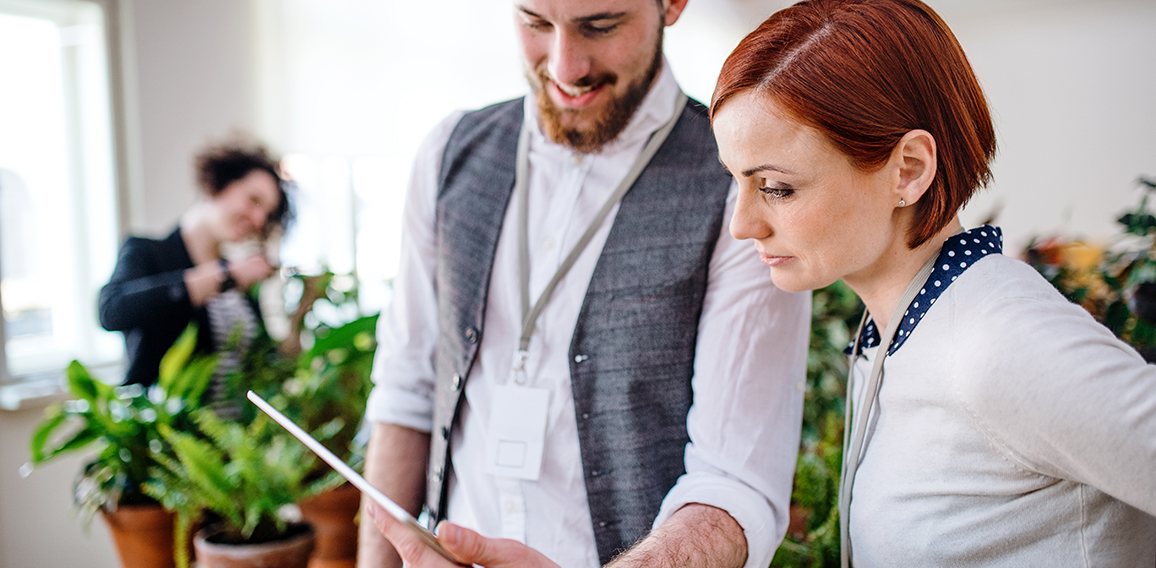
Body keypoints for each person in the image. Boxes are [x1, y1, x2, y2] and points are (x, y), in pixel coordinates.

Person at [358, 0, 811, 567]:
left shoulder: (739, 191)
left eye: (601, 25)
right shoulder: (448, 153)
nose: (565, 67)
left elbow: (737, 485)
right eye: (534, 22)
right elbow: (406, 394)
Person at [707, 0, 1156, 566]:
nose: (741, 224)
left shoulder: (997, 341)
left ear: (910, 169)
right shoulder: (904, 326)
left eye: (775, 186)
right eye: (736, 181)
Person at [99, 140, 291, 400]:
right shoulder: (147, 253)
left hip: (235, 437)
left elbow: (264, 363)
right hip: (170, 434)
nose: (258, 220)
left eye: (266, 214)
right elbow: (111, 310)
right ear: (217, 183)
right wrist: (225, 276)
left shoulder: (240, 279)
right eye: (253, 200)